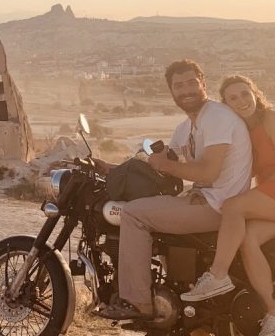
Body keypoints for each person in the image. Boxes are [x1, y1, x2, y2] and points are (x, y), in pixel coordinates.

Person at [95, 59, 253, 320]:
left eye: (192, 82)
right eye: (179, 85)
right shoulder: (186, 127)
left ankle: (136, 302)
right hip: (205, 199)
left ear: (203, 83)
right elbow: (160, 164)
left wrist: (167, 165)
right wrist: (112, 168)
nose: (186, 90)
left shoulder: (217, 116)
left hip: (219, 205)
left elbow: (208, 172)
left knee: (133, 214)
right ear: (172, 92)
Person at [180, 75, 275, 336]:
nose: (241, 101)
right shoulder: (241, 132)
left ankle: (218, 274)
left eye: (245, 94)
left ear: (255, 94)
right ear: (227, 105)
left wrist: (252, 199)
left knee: (233, 207)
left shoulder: (273, 118)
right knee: (248, 239)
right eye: (233, 98)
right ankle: (273, 313)